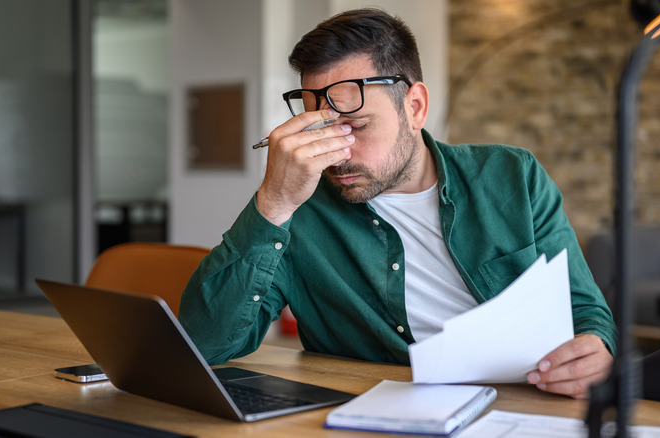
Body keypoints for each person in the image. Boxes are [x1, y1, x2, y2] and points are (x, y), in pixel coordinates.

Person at [178, 8, 616, 400]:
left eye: (356, 126)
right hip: (371, 417)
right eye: (320, 130)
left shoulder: (511, 176)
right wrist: (273, 203)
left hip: (522, 404)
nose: (337, 153)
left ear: (416, 107)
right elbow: (205, 344)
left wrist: (595, 348)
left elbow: (582, 310)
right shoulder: (297, 210)